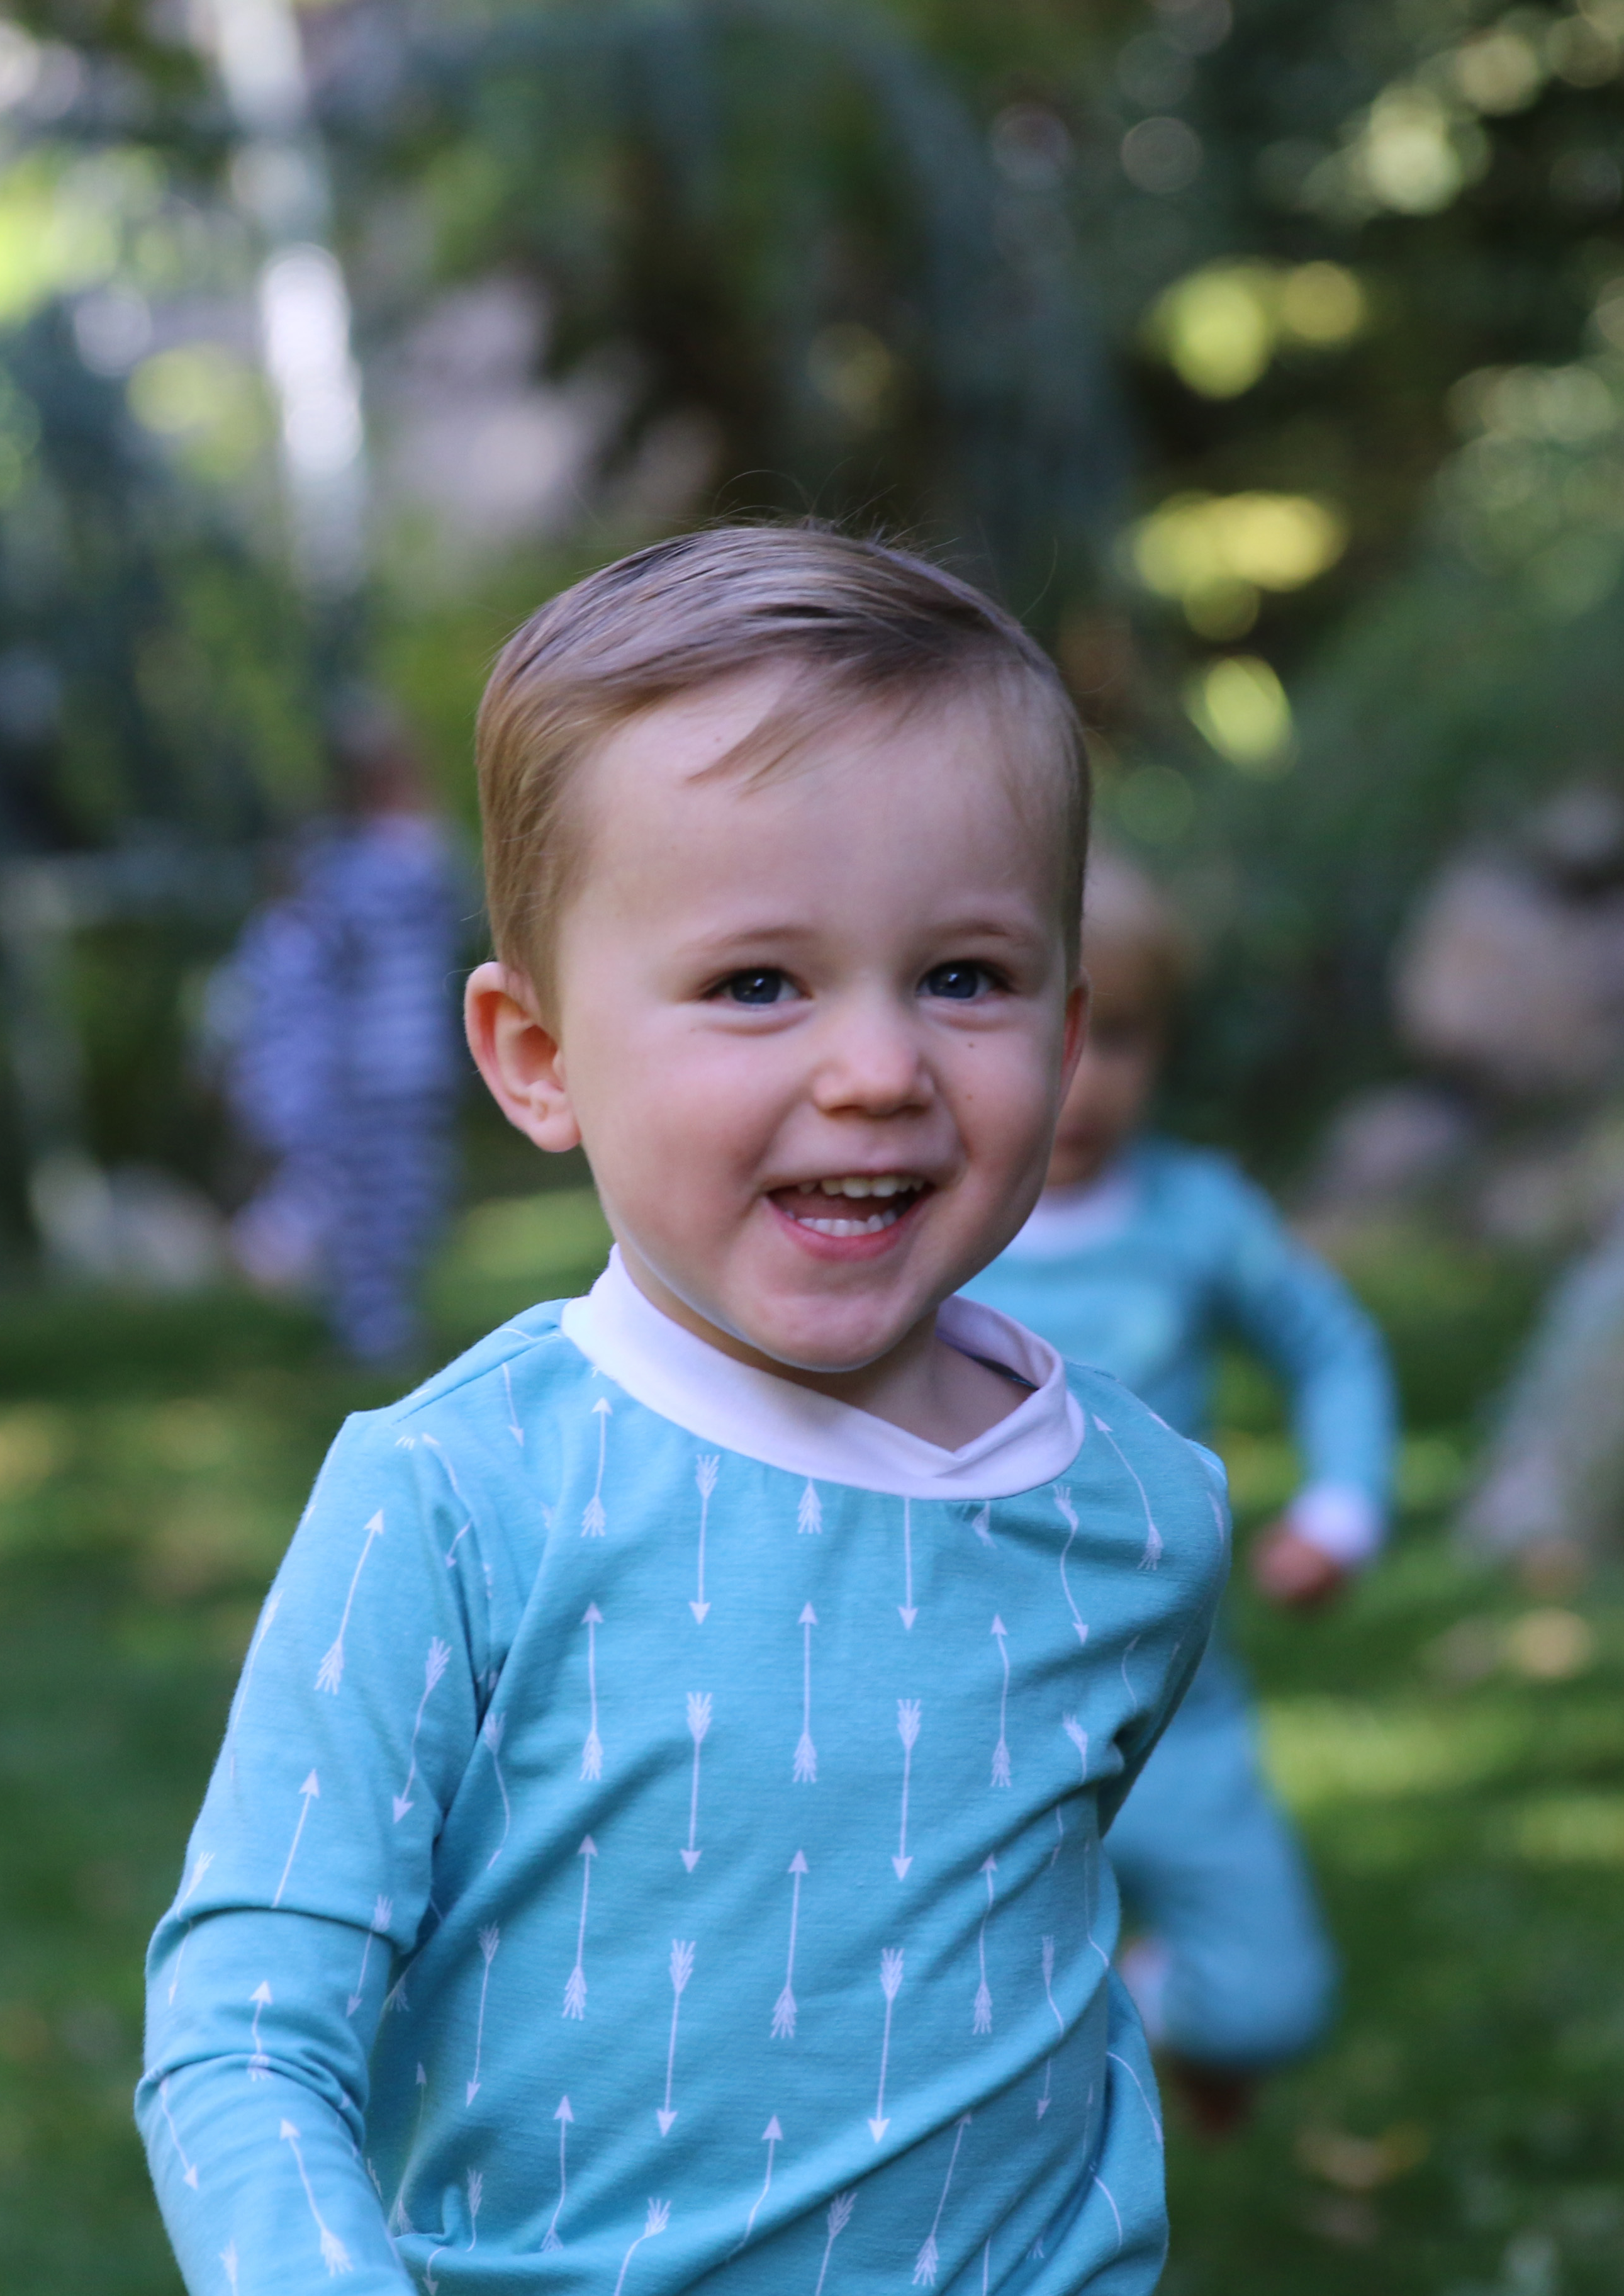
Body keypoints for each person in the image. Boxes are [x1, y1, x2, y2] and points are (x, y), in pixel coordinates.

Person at [138, 528, 1231, 2295]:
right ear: (538, 1057)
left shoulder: (1135, 1509)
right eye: (755, 984)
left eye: (964, 976)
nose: (875, 1070)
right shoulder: (457, 1496)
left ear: (1066, 1026)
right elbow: (245, 2034)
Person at [959, 845, 1397, 2137]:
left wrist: (1340, 1509)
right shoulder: (929, 1226)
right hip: (972, 1723)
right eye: (1035, 1034)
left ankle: (1162, 2008)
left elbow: (1332, 1346)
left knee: (1268, 2001)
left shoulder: (1196, 1216)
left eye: (1120, 1035)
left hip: (1173, 1713)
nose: (1084, 1080)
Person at [220, 698, 468, 1364]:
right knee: (380, 1197)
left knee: (389, 1195)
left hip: (390, 1055)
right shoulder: (400, 858)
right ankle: (363, 1321)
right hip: (382, 1058)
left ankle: (361, 1311)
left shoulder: (348, 863)